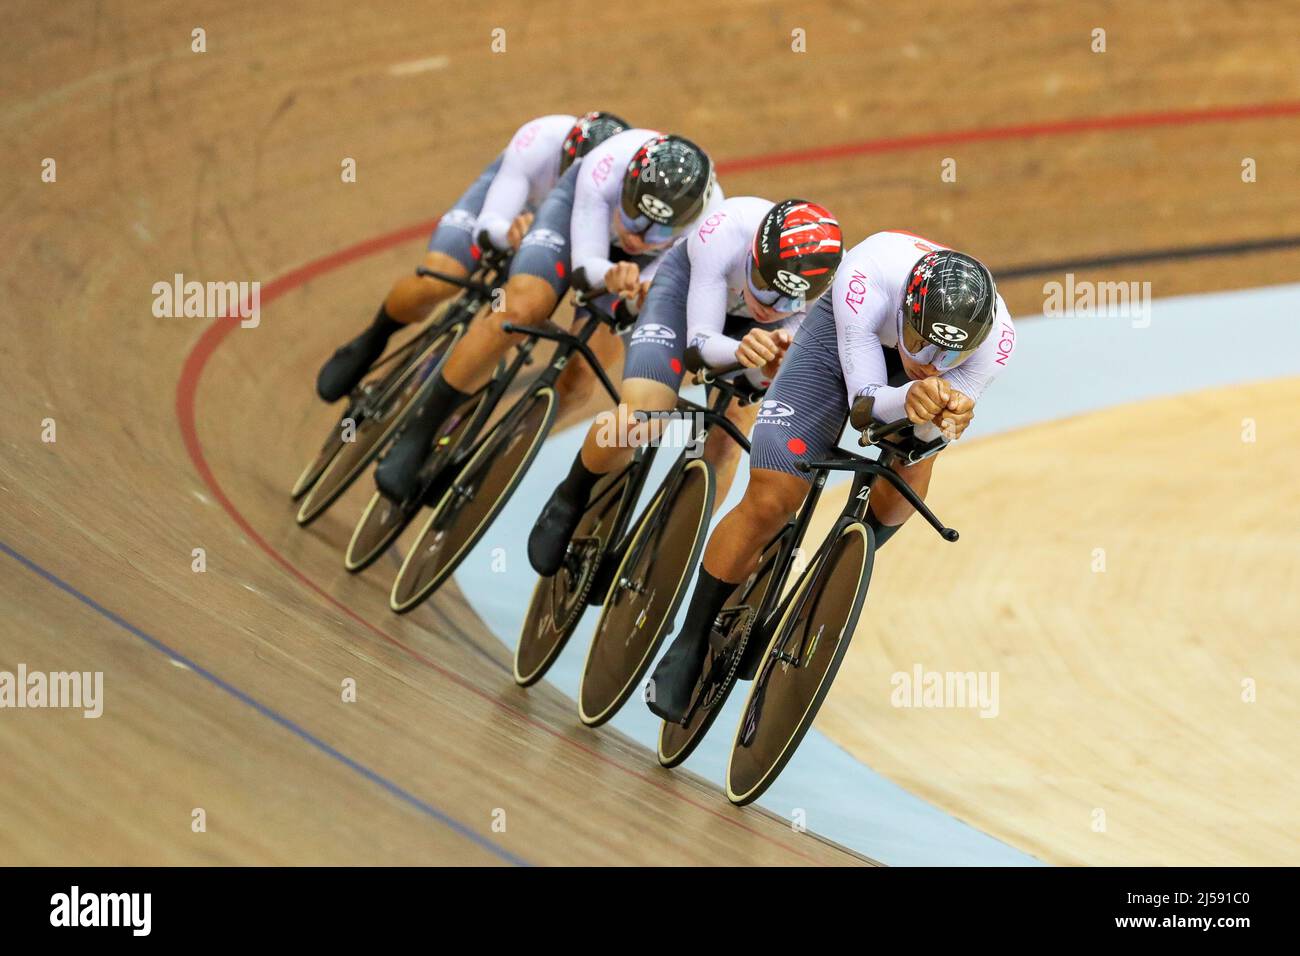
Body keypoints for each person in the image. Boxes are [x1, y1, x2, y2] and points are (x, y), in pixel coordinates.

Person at [646, 231, 1018, 722]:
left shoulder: (996, 342)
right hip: (841, 340)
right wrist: (909, 397)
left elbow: (932, 425)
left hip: (905, 383)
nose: (926, 361)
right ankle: (690, 638)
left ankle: (825, 578)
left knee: (910, 472)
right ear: (905, 310)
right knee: (772, 499)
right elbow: (865, 407)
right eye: (919, 341)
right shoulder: (867, 278)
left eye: (946, 356)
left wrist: (942, 421)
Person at [373, 130, 724, 502]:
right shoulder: (606, 166)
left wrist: (638, 293)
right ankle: (419, 432)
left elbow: (655, 293)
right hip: (579, 221)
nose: (639, 236)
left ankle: (495, 460)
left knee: (581, 376)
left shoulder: (709, 228)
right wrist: (608, 275)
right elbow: (586, 264)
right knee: (521, 307)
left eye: (661, 230)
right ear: (625, 187)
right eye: (635, 215)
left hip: (646, 268)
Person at [526, 197, 843, 576]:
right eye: (762, 283)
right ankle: (571, 494)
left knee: (728, 439)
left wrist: (776, 357)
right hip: (684, 300)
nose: (768, 305)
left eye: (789, 298)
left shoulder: (827, 296)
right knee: (640, 418)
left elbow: (786, 358)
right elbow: (701, 346)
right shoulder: (724, 233)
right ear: (753, 253)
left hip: (755, 338)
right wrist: (743, 349)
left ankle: (665, 551)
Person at [314, 111, 629, 402]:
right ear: (563, 155)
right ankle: (374, 337)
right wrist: (508, 233)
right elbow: (490, 220)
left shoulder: (626, 203)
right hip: (511, 210)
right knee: (440, 278)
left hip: (568, 239)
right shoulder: (541, 141)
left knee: (520, 321)